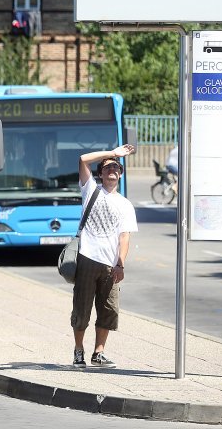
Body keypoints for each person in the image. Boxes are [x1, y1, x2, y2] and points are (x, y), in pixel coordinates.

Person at [71, 144, 138, 369]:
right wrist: (113, 153)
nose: (113, 170)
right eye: (108, 167)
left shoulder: (125, 204)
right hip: (88, 257)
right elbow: (83, 159)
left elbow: (125, 237)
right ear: (100, 173)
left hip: (110, 265)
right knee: (82, 309)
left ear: (120, 174)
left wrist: (121, 263)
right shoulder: (90, 189)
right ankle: (78, 350)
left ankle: (98, 353)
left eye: (116, 168)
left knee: (109, 310)